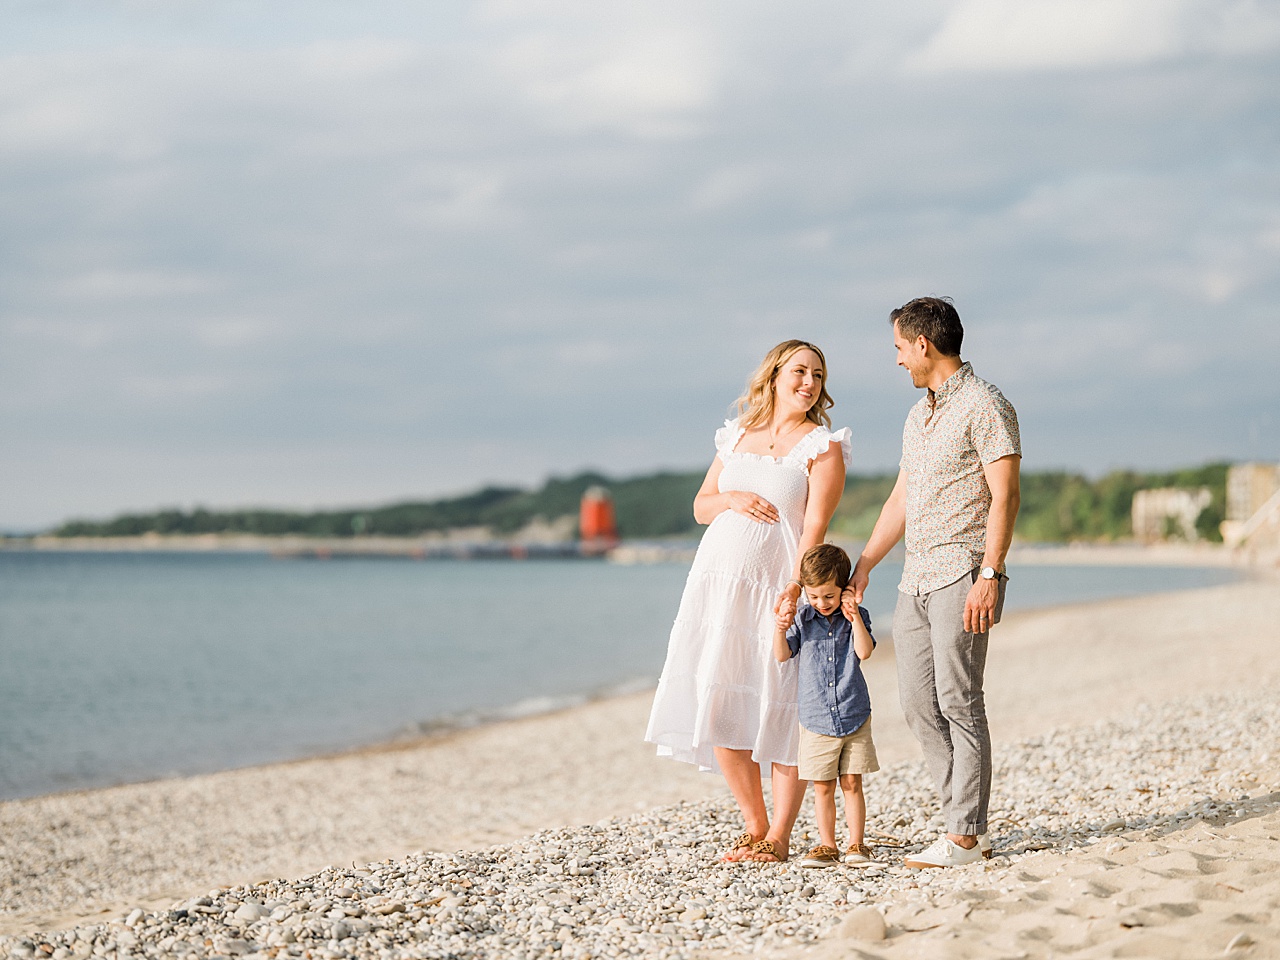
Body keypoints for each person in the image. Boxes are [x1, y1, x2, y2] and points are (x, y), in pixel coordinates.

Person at [645, 340, 850, 864]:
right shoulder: (736, 436)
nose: (809, 382)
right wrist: (732, 498)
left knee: (781, 707)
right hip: (717, 590)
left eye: (818, 375)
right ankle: (754, 824)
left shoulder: (822, 447)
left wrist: (796, 590)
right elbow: (700, 506)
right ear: (775, 375)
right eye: (800, 371)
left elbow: (815, 529)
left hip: (778, 591)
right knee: (722, 703)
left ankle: (779, 836)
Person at [843, 296, 1020, 869]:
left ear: (923, 345)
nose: (896, 360)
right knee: (918, 702)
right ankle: (958, 824)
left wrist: (991, 573)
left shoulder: (987, 404)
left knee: (959, 700)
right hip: (914, 577)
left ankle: (966, 835)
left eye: (899, 347)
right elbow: (902, 497)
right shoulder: (918, 416)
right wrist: (865, 564)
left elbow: (1005, 495)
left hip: (963, 571)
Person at [772, 543, 879, 869]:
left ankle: (856, 844)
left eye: (829, 596)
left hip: (853, 711)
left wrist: (853, 617)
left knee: (852, 782)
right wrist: (779, 628)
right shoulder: (804, 618)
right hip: (816, 717)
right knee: (822, 786)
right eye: (814, 596)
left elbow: (864, 652)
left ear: (843, 588)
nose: (821, 603)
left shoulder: (854, 618)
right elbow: (781, 654)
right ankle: (827, 845)